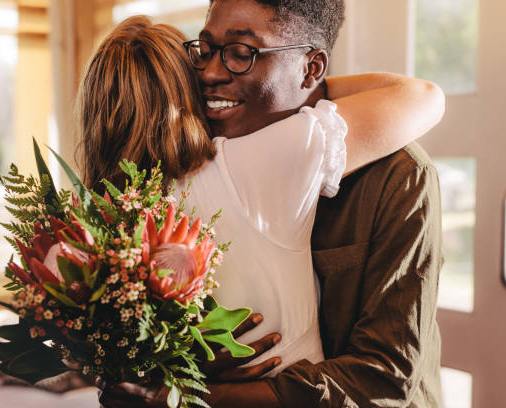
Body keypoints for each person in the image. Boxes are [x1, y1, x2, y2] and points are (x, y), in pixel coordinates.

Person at [89, 1, 445, 406]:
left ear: (312, 67)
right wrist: (184, 362)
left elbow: (383, 378)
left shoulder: (398, 174)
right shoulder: (192, 171)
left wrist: (202, 393)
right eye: (204, 52)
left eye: (242, 54)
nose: (210, 73)